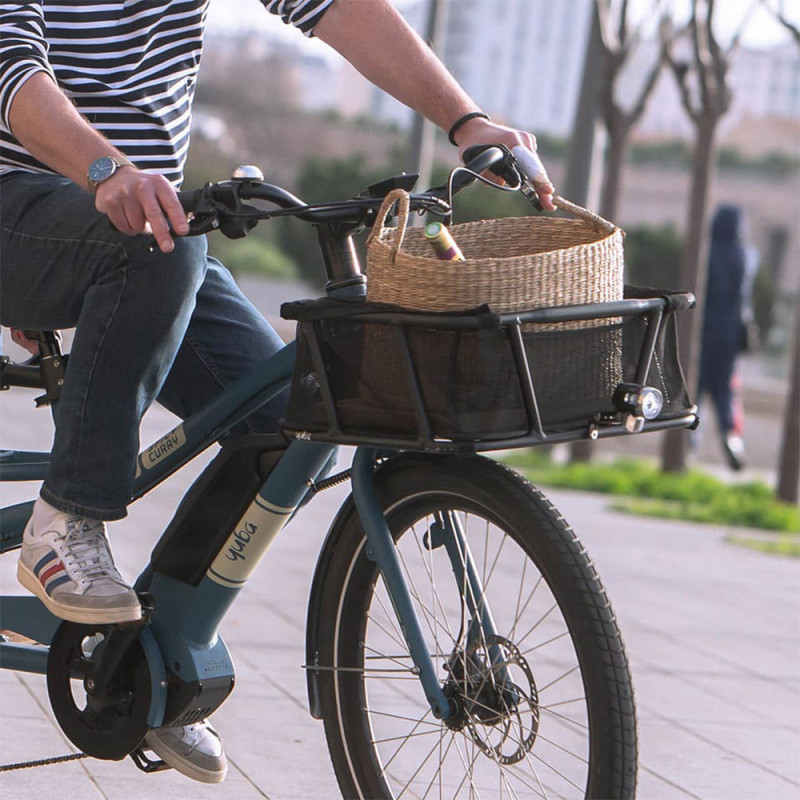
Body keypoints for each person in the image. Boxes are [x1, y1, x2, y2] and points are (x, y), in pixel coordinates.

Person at [0, 0, 555, 784]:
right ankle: (68, 516)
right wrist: (106, 172)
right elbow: (12, 74)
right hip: (29, 206)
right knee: (154, 254)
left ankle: (151, 661)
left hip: (150, 224)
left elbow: (339, 7)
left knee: (288, 419)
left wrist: (465, 121)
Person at [697, 204, 759, 471]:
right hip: (731, 331)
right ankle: (732, 440)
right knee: (725, 390)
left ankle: (689, 442)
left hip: (703, 328)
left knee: (694, 387)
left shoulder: (706, 254)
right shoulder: (745, 256)